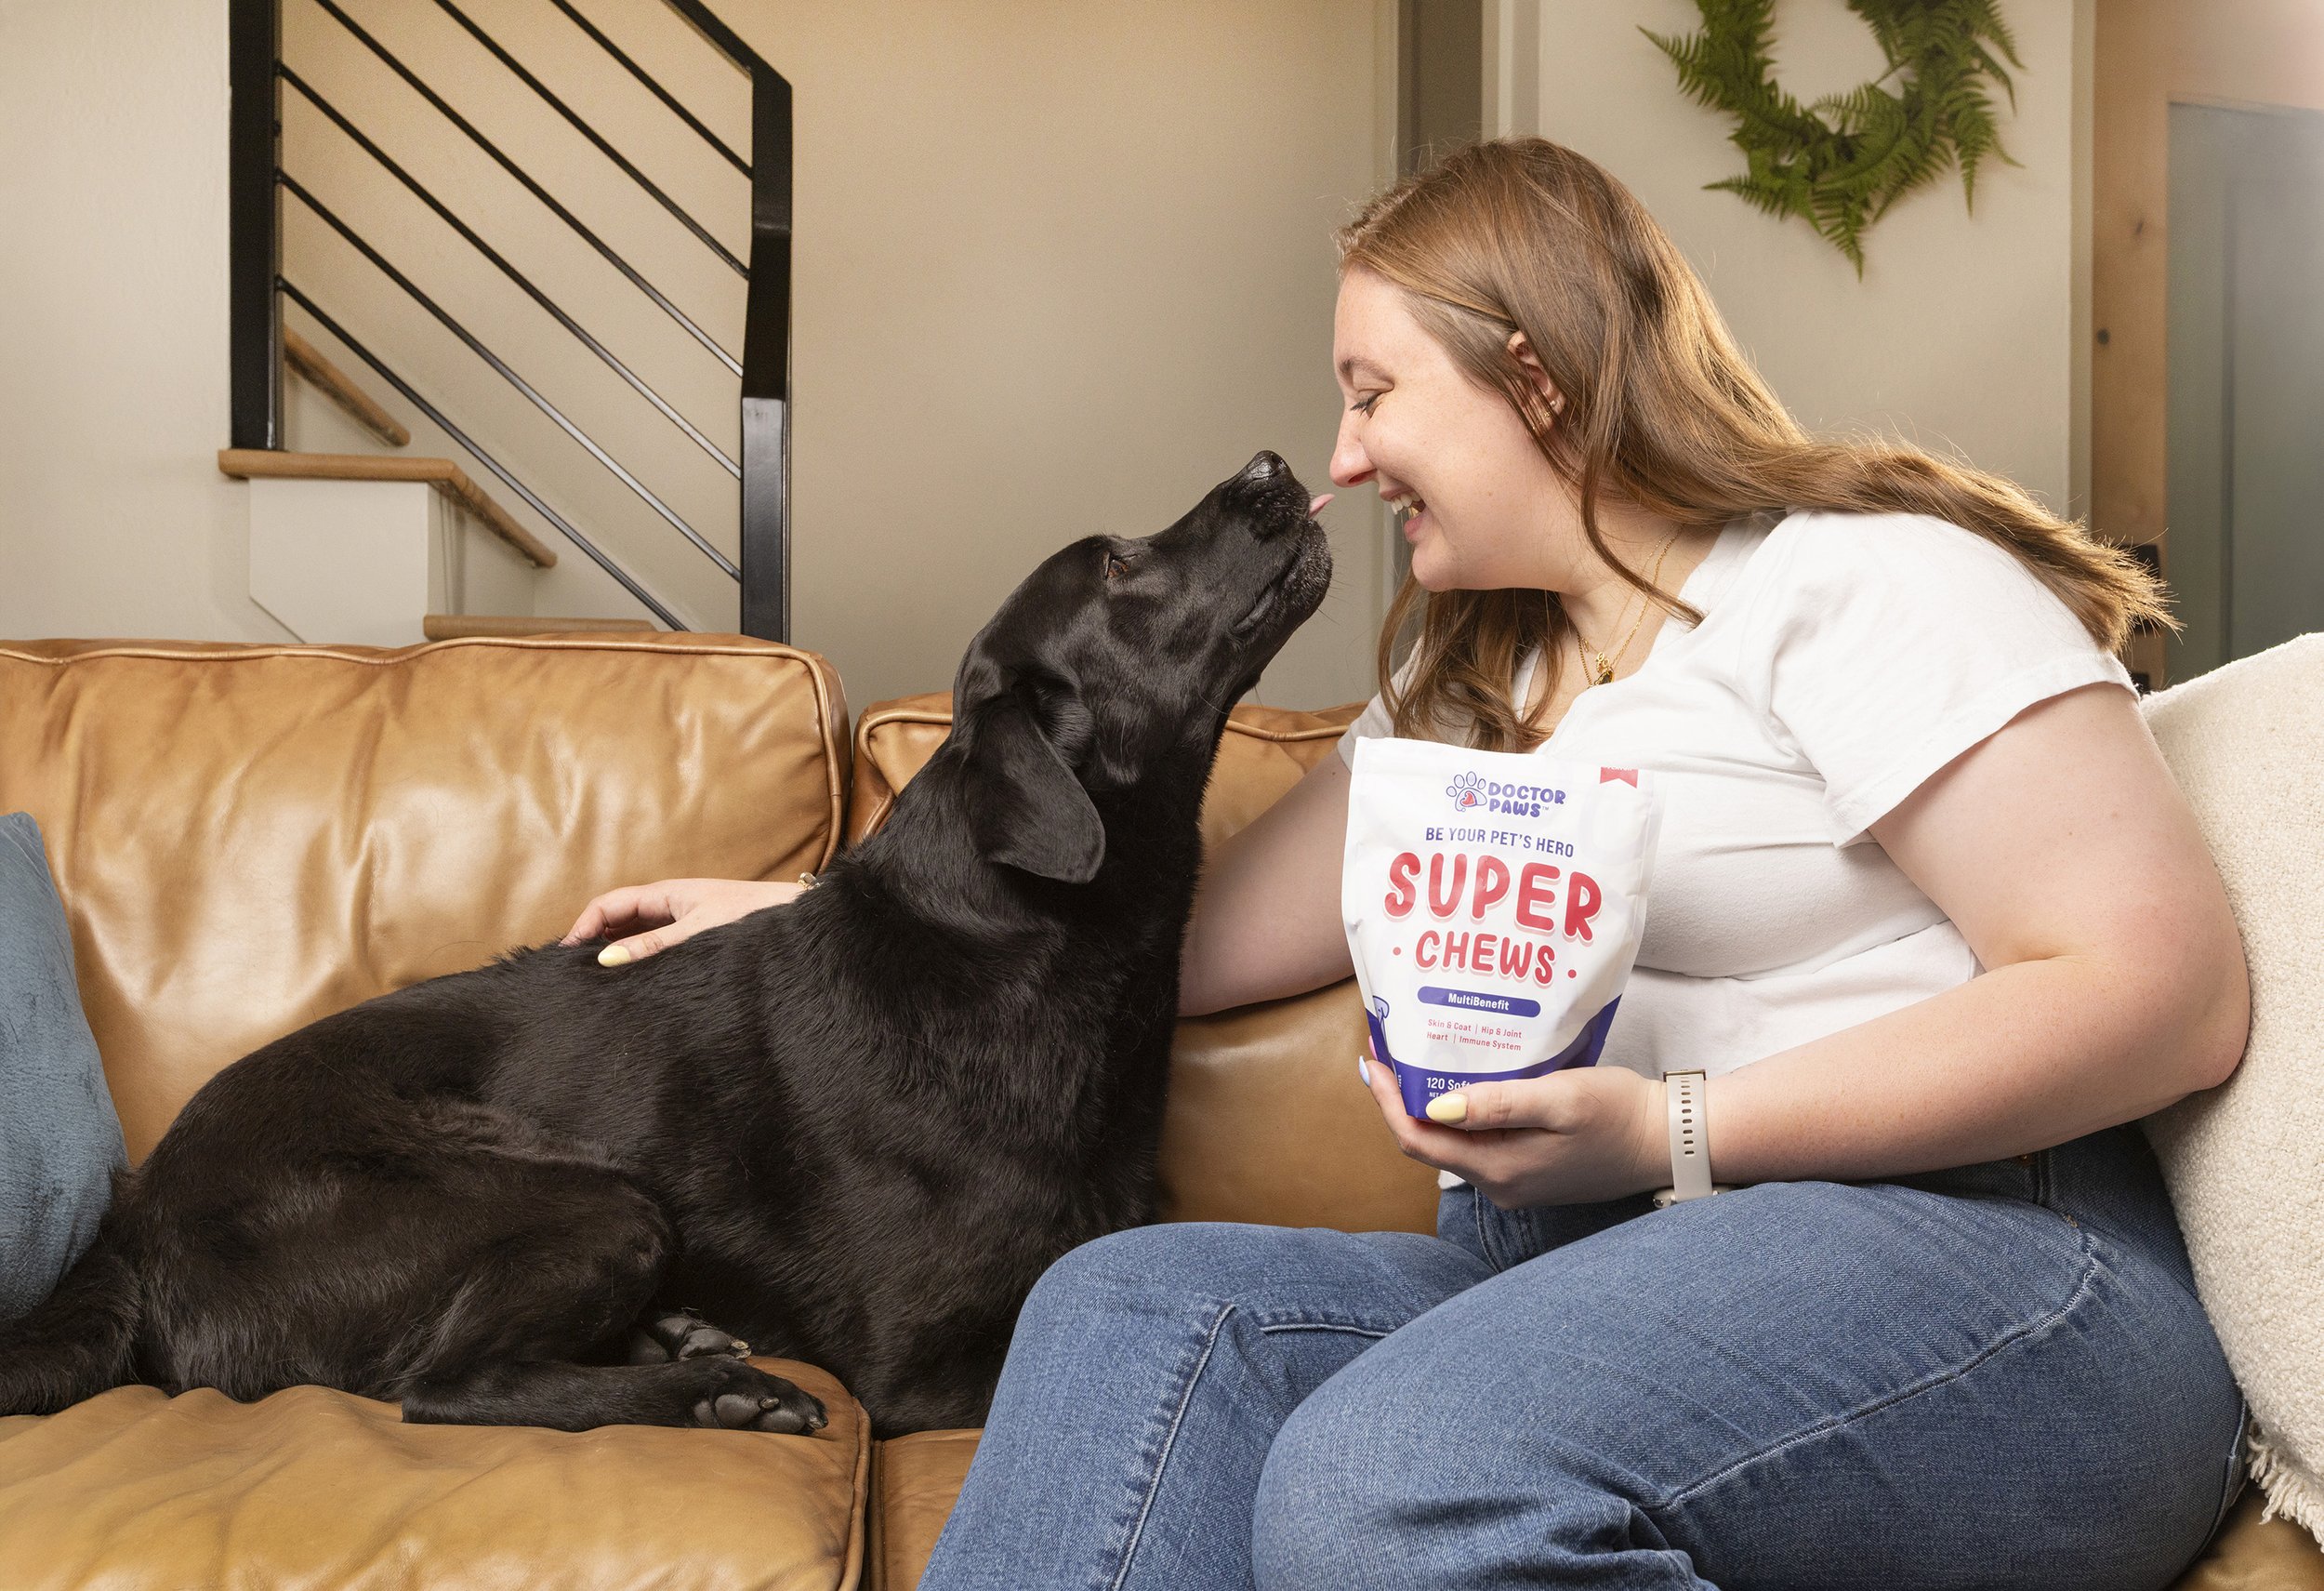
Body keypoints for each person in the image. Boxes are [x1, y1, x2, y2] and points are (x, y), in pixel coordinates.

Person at [563, 139, 2251, 1589]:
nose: (1346, 460)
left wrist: (1673, 1129)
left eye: (1374, 393)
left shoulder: (1864, 587)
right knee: (1128, 1309)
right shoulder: (1469, 695)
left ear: (1539, 377)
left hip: (1994, 1278)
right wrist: (818, 915)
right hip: (1589, 1282)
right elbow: (1182, 941)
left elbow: (2158, 993)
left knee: (1390, 1476)